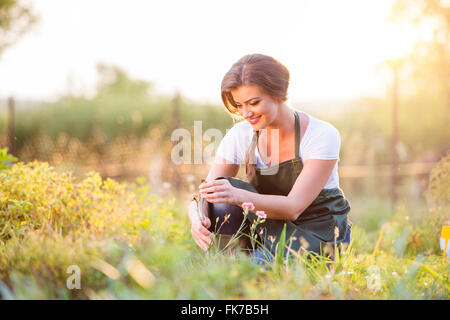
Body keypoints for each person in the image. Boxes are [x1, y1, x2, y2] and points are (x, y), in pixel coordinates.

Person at [188, 53, 351, 264]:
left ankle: (249, 265)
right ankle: (226, 263)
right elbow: (204, 195)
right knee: (220, 189)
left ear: (278, 94)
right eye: (239, 105)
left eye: (253, 102)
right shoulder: (241, 135)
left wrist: (238, 196)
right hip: (268, 228)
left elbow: (294, 207)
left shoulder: (321, 134)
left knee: (256, 270)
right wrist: (196, 219)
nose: (245, 113)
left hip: (318, 231)